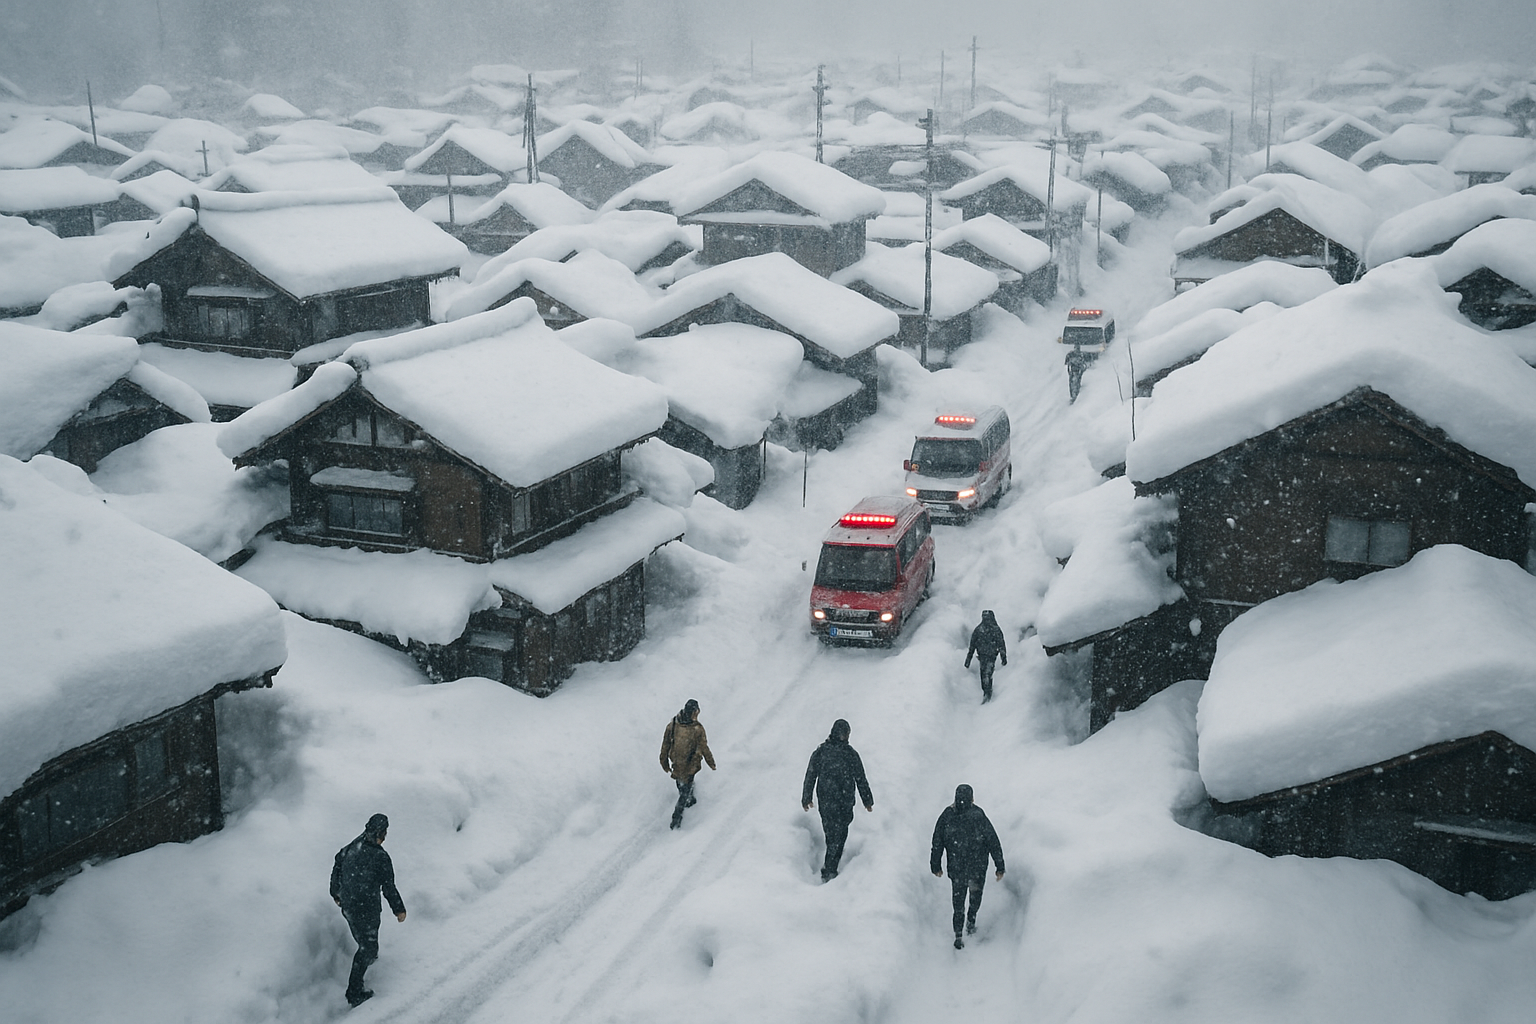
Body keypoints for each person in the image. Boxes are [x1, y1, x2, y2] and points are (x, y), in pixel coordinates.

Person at [331, 813, 407, 1008]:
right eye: (383, 833)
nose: (383, 837)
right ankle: (354, 992)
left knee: (365, 943)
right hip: (366, 909)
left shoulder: (353, 846)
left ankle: (368, 960)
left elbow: (337, 862)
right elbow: (388, 887)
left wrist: (336, 892)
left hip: (349, 907)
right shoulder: (380, 857)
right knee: (368, 947)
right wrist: (399, 910)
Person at [930, 785, 1005, 949]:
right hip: (977, 868)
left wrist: (935, 865)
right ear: (972, 798)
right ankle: (971, 920)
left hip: (957, 869)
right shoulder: (979, 815)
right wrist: (999, 866)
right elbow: (993, 841)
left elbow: (937, 842)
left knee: (957, 903)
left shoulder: (947, 816)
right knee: (975, 896)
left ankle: (958, 935)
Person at [801, 719, 875, 882]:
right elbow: (811, 775)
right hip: (835, 802)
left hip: (837, 802)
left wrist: (867, 799)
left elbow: (860, 777)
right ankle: (830, 869)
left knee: (836, 834)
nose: (844, 736)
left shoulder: (844, 753)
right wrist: (806, 797)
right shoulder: (826, 752)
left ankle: (830, 866)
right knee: (836, 835)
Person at [659, 698, 716, 829]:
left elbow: (703, 747)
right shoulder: (675, 725)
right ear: (691, 712)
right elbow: (666, 743)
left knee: (684, 791)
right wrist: (664, 760)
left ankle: (678, 815)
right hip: (678, 765)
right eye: (696, 712)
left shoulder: (694, 727)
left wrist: (710, 761)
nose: (697, 714)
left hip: (690, 766)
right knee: (683, 789)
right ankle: (685, 807)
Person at [964, 610, 1008, 703]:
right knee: (986, 673)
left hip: (987, 655)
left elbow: (1001, 644)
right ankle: (987, 692)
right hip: (986, 655)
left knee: (985, 672)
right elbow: (1001, 644)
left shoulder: (980, 629)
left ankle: (987, 692)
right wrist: (1003, 657)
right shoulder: (989, 629)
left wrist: (1003, 656)